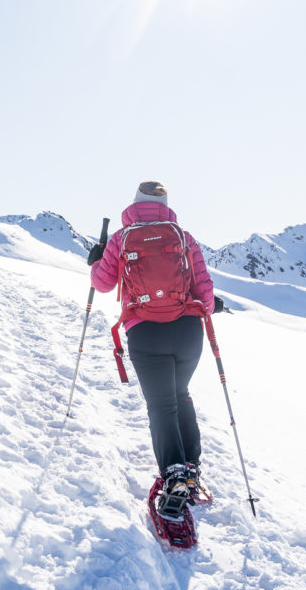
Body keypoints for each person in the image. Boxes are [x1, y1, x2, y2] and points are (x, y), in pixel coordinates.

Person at [86, 180, 216, 519]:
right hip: (188, 330)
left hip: (145, 331)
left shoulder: (121, 238)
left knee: (162, 404)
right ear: (165, 204)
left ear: (134, 203)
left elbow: (102, 284)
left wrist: (96, 261)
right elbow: (205, 293)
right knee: (181, 393)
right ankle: (191, 467)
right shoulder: (183, 237)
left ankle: (174, 478)